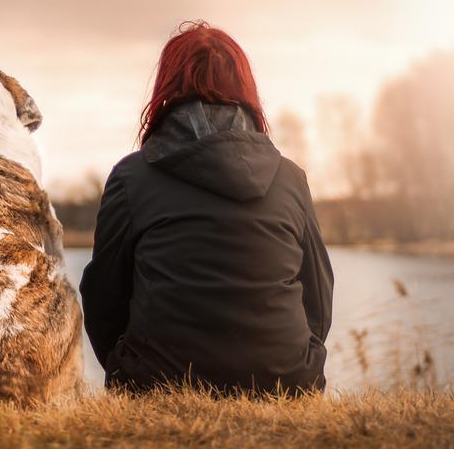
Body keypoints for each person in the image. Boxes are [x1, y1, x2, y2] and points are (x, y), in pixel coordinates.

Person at [79, 21, 334, 395]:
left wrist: (125, 367)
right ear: (245, 89)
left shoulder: (131, 178)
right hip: (286, 382)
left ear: (167, 88)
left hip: (158, 382)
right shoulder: (290, 178)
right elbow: (318, 294)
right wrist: (299, 361)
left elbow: (103, 296)